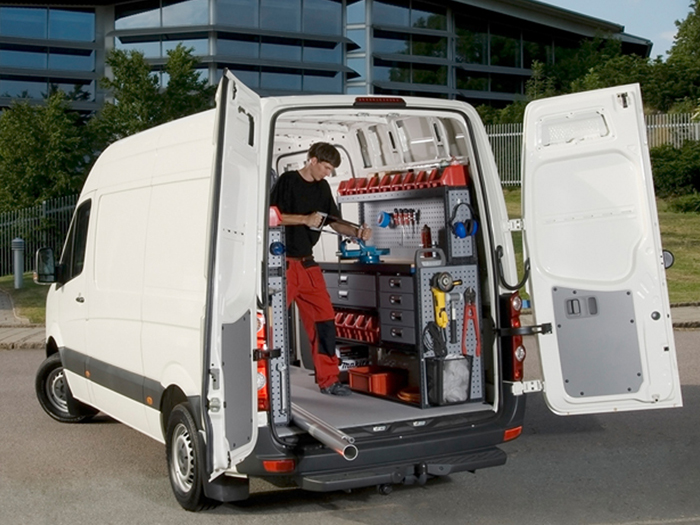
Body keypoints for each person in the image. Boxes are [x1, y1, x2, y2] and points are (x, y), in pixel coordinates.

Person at [270, 142, 372, 396]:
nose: (328, 173)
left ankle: (329, 380)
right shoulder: (288, 181)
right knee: (272, 326)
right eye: (326, 167)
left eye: (331, 169)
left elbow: (335, 223)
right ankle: (266, 382)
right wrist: (304, 219)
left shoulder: (323, 187)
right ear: (312, 160)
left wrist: (357, 232)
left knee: (325, 321)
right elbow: (271, 215)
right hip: (282, 266)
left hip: (307, 264)